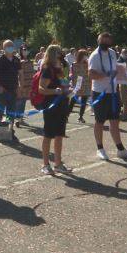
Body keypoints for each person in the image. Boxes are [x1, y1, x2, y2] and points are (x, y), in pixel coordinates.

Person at [89, 33, 127, 160]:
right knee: (99, 121)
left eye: (107, 41)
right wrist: (107, 74)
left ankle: (120, 149)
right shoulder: (94, 55)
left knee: (115, 121)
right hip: (100, 92)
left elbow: (117, 68)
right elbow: (92, 74)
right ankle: (100, 149)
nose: (106, 44)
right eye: (103, 42)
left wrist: (120, 77)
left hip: (113, 92)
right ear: (99, 41)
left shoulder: (112, 53)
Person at [38, 45, 73, 175]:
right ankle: (45, 164)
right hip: (51, 106)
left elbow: (63, 85)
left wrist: (69, 90)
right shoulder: (48, 69)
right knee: (48, 135)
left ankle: (58, 163)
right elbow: (41, 89)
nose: (62, 55)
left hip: (62, 106)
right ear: (54, 54)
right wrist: (55, 91)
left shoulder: (60, 69)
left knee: (59, 135)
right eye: (60, 53)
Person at [0, 40, 22, 141]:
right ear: (3, 49)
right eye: (8, 46)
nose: (10, 47)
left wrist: (20, 87)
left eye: (11, 46)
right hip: (2, 91)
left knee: (11, 114)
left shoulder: (17, 60)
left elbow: (21, 74)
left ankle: (9, 133)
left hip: (13, 91)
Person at [69, 49, 90, 123]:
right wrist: (72, 78)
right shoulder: (74, 64)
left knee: (84, 101)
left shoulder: (88, 64)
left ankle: (81, 117)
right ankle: (66, 115)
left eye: (86, 55)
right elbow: (71, 74)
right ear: (81, 55)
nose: (86, 56)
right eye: (85, 55)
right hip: (78, 82)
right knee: (73, 100)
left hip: (86, 83)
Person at [15, 46, 34, 126]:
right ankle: (18, 118)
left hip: (29, 83)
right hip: (22, 83)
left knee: (24, 101)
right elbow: (19, 74)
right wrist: (20, 84)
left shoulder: (30, 61)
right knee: (20, 101)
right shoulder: (20, 61)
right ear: (21, 51)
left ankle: (20, 118)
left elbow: (32, 72)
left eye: (27, 50)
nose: (26, 51)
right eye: (24, 50)